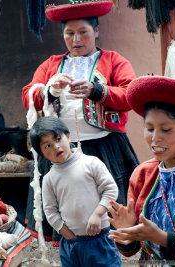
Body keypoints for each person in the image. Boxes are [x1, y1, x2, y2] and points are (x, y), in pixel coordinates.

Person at [22, 0, 139, 243]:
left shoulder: (113, 61)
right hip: (60, 148)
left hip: (104, 145)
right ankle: (71, 242)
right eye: (69, 33)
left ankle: (113, 245)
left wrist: (96, 90)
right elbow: (28, 95)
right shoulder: (51, 65)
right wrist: (50, 91)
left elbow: (130, 94)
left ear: (96, 31)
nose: (76, 39)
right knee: (67, 201)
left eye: (83, 32)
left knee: (107, 196)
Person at [30, 116, 122, 266]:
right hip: (72, 244)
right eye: (47, 146)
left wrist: (97, 214)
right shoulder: (49, 179)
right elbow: (50, 211)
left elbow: (110, 189)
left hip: (100, 239)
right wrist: (68, 236)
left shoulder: (91, 163)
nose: (55, 147)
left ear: (68, 135)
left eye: (58, 139)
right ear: (42, 154)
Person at [108, 76, 175, 264]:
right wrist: (127, 233)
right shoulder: (143, 174)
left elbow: (158, 238)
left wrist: (163, 238)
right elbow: (133, 248)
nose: (155, 138)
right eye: (149, 128)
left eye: (166, 129)